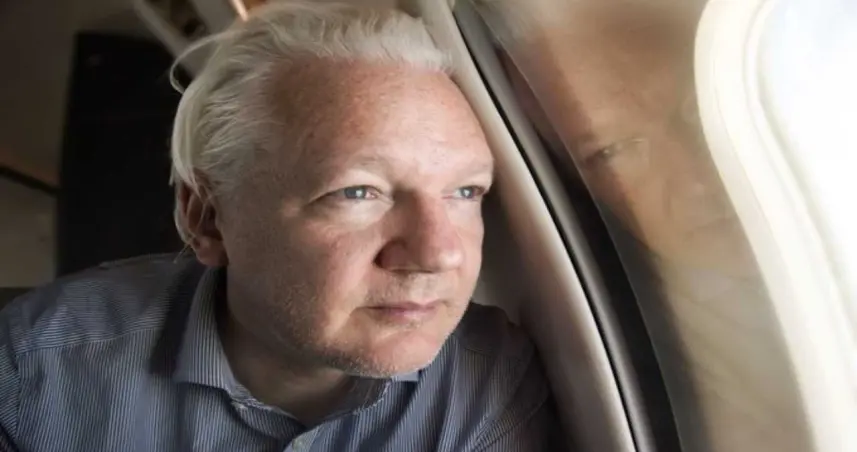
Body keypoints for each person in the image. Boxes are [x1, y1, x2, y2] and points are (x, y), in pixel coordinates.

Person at [0, 2, 562, 451]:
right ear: (207, 219)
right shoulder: (32, 370)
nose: (438, 254)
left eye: (465, 192)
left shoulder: (491, 377)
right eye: (358, 192)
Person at [473, 0, 812, 451]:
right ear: (572, 182)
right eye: (612, 151)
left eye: (700, 108)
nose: (697, 178)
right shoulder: (628, 356)